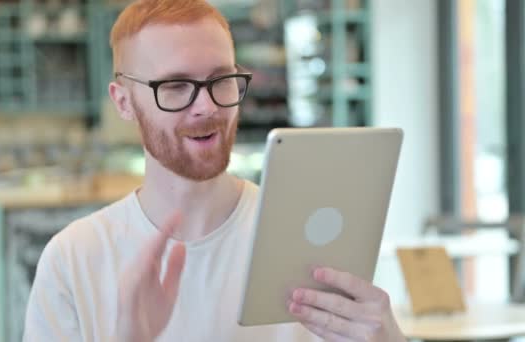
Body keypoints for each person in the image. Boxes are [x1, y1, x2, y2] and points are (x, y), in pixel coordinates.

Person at [23, 0, 406, 341]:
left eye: (221, 80)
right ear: (123, 102)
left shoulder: (304, 239)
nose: (207, 106)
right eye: (175, 85)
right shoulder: (74, 259)